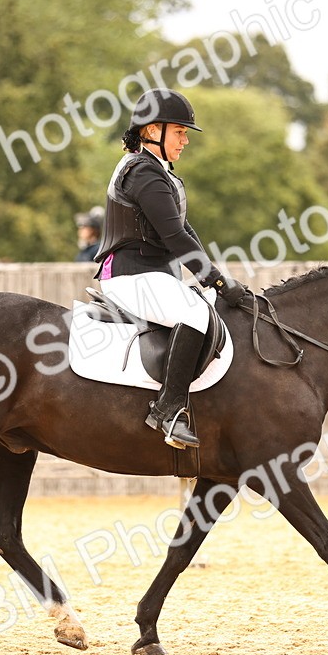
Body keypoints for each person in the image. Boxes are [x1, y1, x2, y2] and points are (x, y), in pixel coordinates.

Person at [92, 88, 248, 449]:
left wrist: (216, 277)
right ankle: (167, 409)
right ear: (151, 131)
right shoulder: (141, 173)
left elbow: (184, 229)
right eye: (179, 132)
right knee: (195, 315)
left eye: (185, 134)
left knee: (207, 304)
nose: (185, 141)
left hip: (152, 275)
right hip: (130, 276)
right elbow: (175, 236)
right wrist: (217, 280)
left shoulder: (159, 172)